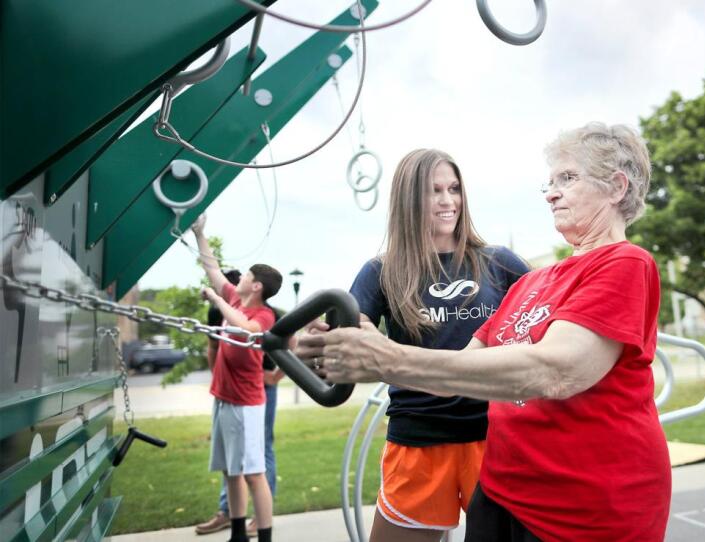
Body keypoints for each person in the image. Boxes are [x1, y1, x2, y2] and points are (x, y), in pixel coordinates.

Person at [299, 123, 670, 541]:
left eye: (567, 179)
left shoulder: (623, 263)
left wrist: (385, 358)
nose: (550, 193)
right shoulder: (533, 283)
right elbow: (456, 371)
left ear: (617, 187)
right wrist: (348, 342)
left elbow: (558, 370)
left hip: (583, 504)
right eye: (549, 182)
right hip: (503, 493)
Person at [303, 148, 529, 541]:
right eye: (434, 190)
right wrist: (322, 342)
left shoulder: (500, 263)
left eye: (454, 189)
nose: (448, 201)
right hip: (418, 441)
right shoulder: (381, 271)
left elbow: (545, 319)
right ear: (409, 199)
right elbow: (352, 334)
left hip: (494, 438)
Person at [191, 214, 282, 542]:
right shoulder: (234, 299)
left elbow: (245, 329)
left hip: (246, 405)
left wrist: (216, 301)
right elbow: (212, 268)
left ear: (256, 285)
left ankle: (265, 536)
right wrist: (201, 234)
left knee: (254, 474)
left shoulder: (263, 315)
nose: (239, 277)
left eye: (246, 275)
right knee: (231, 471)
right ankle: (238, 534)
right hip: (224, 399)